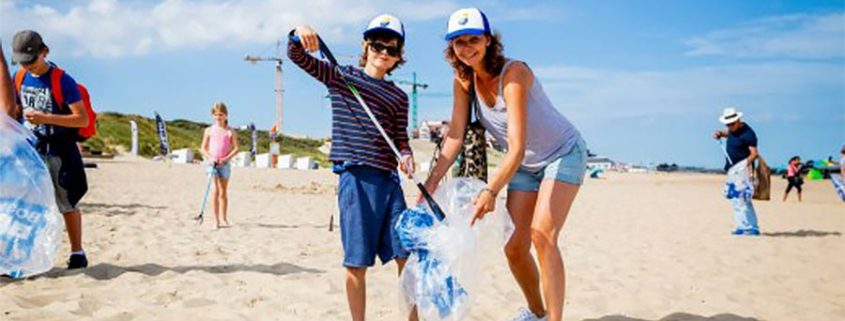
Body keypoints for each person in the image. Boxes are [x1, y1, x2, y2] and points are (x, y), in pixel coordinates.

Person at [422, 8, 587, 321]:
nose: (467, 47)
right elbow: (455, 135)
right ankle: (537, 313)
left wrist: (491, 190)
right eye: (459, 42)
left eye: (473, 39)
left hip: (562, 152)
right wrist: (431, 182)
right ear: (451, 47)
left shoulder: (514, 74)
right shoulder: (463, 80)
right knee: (513, 248)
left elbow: (517, 145)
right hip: (525, 165)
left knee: (542, 234)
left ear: (487, 40)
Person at [287, 14, 417, 321]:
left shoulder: (398, 96)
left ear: (398, 56)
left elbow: (400, 138)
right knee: (357, 262)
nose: (384, 53)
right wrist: (298, 32)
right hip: (355, 177)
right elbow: (296, 55)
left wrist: (406, 154)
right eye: (378, 45)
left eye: (392, 49)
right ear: (366, 45)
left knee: (405, 256)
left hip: (390, 181)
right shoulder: (340, 76)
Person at [12, 30, 90, 269]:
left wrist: (46, 117)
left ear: (44, 52)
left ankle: (77, 252)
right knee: (26, 203)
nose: (29, 67)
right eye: (23, 62)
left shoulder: (62, 81)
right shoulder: (20, 77)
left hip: (59, 149)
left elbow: (81, 119)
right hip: (30, 149)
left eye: (32, 61)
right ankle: (24, 254)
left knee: (66, 201)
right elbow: (15, 110)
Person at [713, 107, 760, 236]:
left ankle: (753, 227)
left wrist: (743, 166)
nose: (730, 126)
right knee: (734, 198)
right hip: (732, 169)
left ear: (739, 120)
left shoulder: (748, 134)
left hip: (743, 170)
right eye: (727, 124)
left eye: (732, 123)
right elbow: (730, 134)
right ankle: (741, 226)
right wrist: (720, 134)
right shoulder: (732, 129)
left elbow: (754, 154)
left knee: (744, 199)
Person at [200, 102, 239, 228]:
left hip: (225, 164)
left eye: (221, 114)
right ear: (212, 116)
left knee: (223, 192)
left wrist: (226, 158)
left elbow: (236, 148)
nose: (218, 117)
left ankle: (224, 218)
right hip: (212, 164)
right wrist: (211, 158)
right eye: (216, 114)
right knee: (215, 191)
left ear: (226, 115)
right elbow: (203, 148)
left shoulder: (230, 131)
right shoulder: (209, 130)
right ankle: (216, 220)